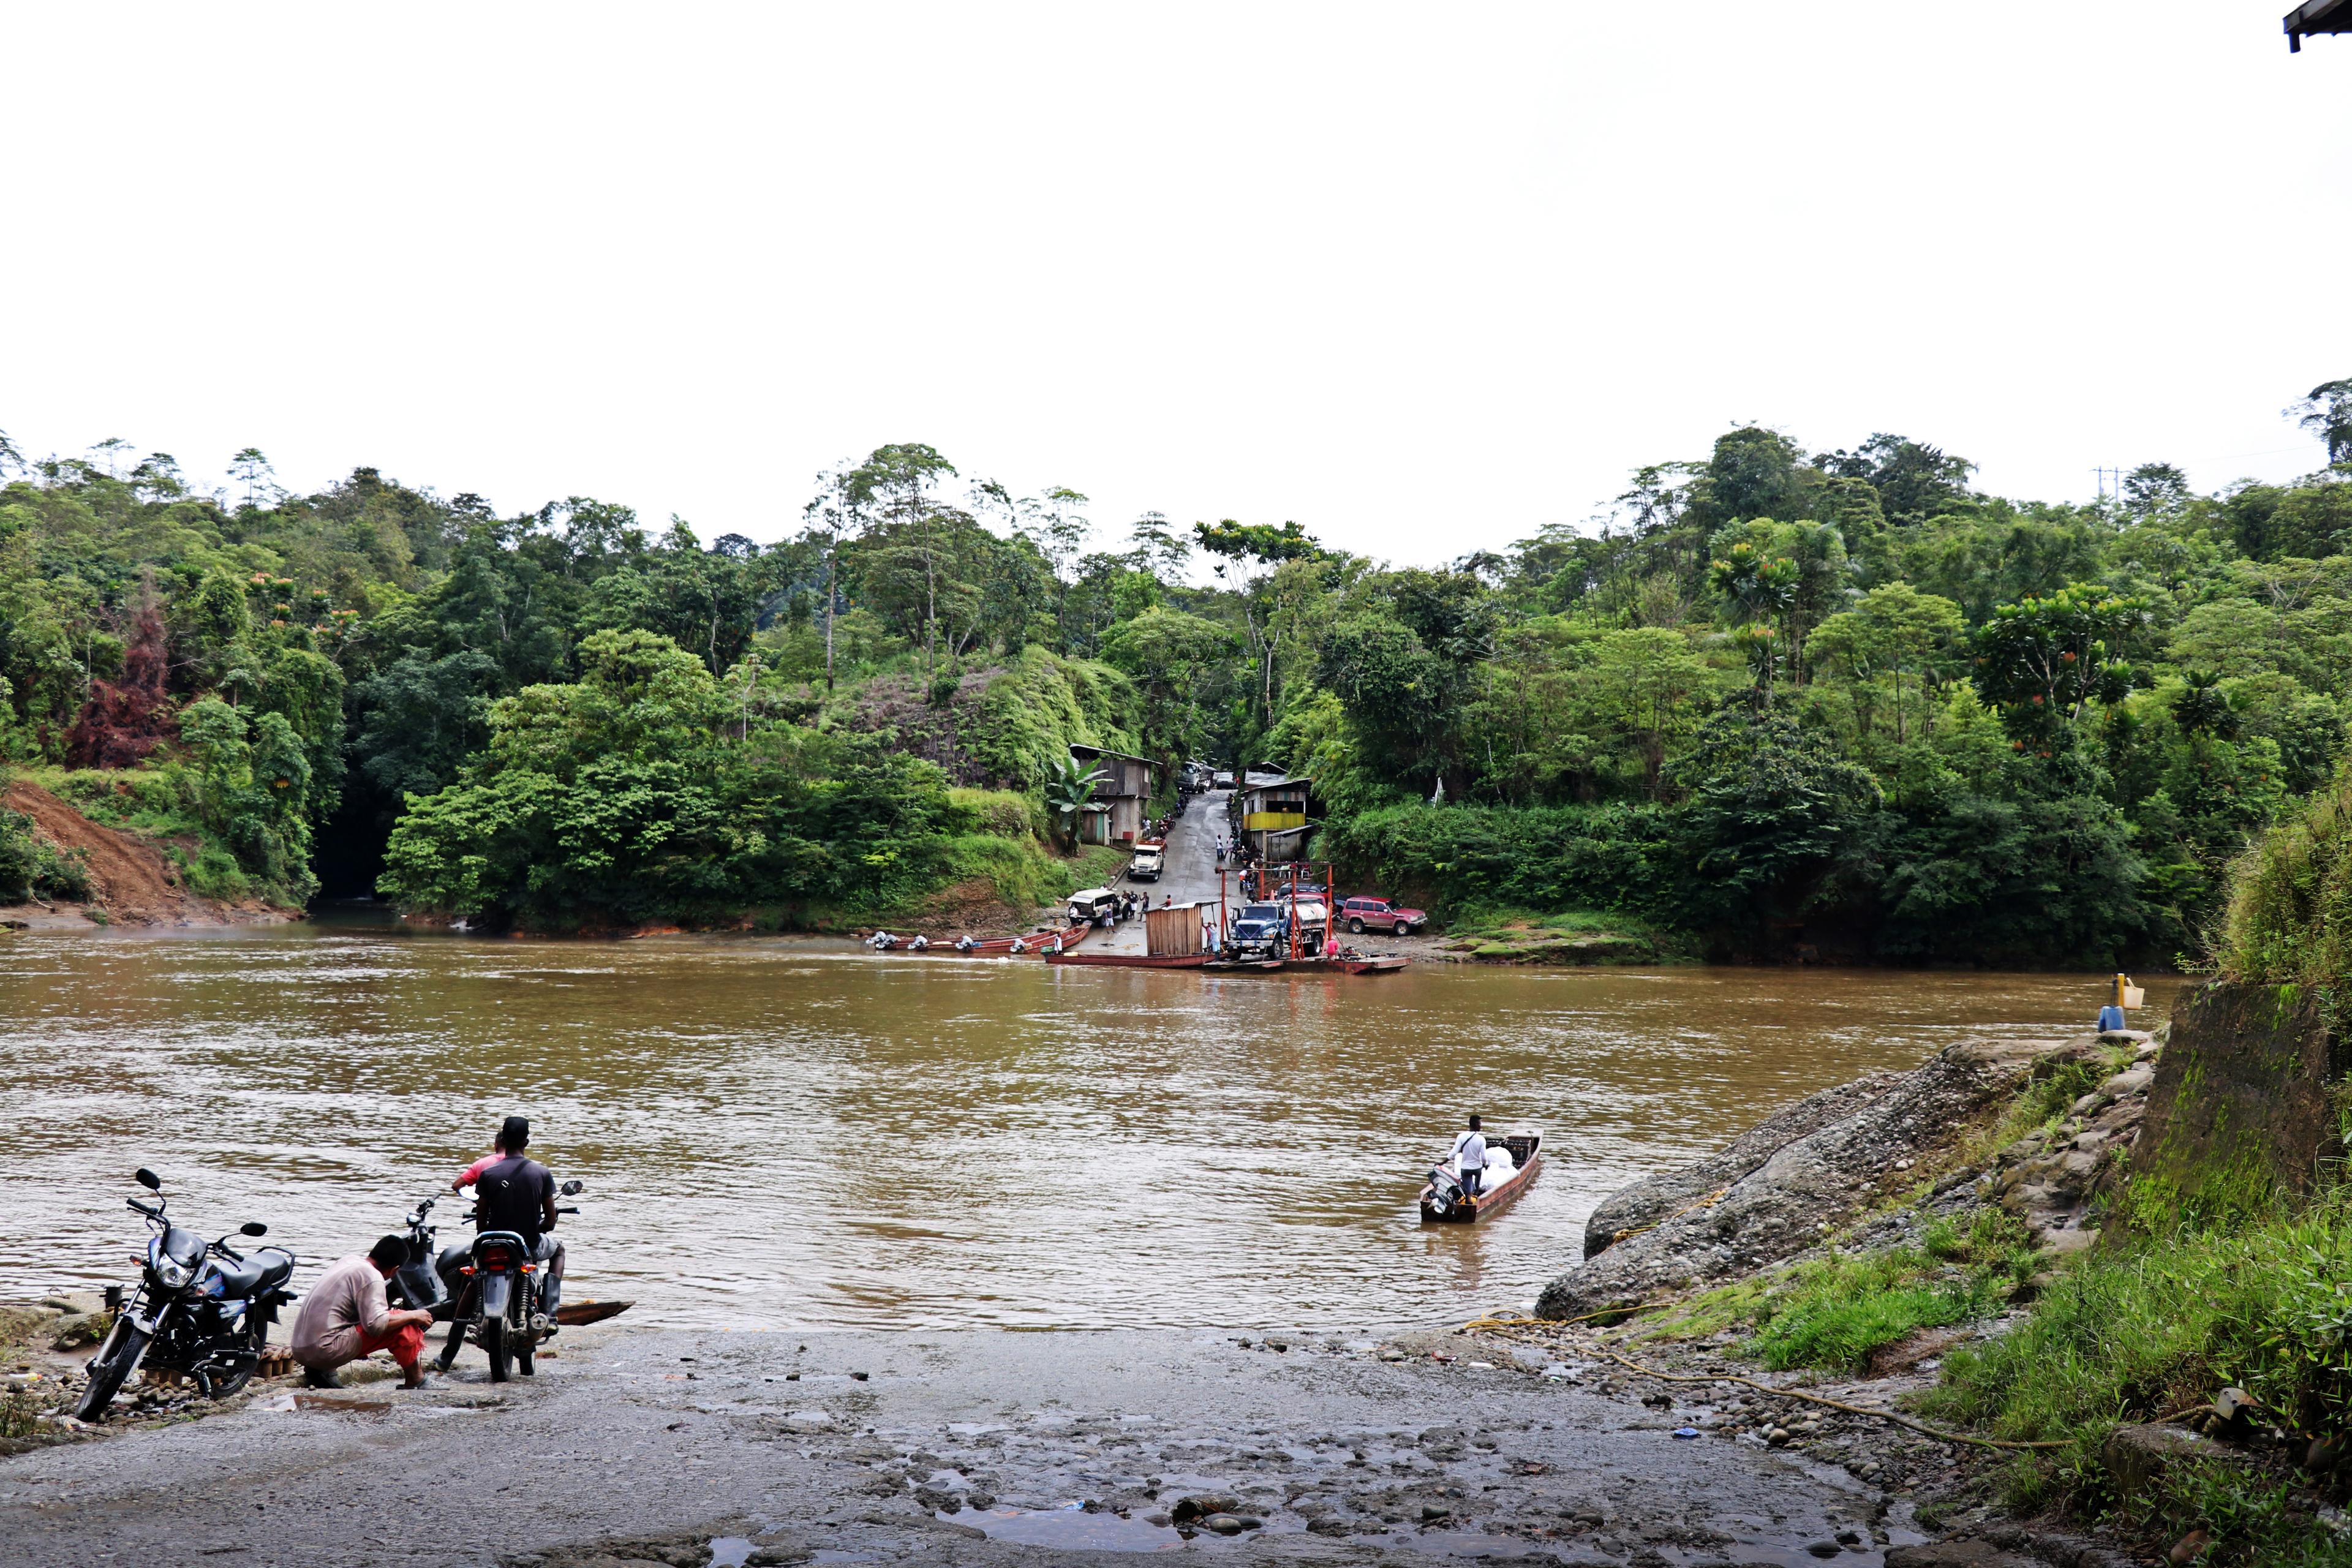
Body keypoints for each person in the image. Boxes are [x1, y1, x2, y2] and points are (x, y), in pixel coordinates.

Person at [453, 1115, 566, 1326]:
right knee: (559, 1250)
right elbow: (550, 1223)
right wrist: (533, 1228)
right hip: (528, 1244)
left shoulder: (488, 1174)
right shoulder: (541, 1173)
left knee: (475, 1280)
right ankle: (549, 1315)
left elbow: (481, 1223)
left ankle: (449, 1350)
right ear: (527, 1142)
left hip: (491, 1243)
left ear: (502, 1140)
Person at [290, 1234, 435, 1390]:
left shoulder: (349, 1260)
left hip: (301, 1350)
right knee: (404, 1325)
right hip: (322, 1352)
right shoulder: (373, 1276)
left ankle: (321, 1370)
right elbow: (376, 1326)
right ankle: (416, 1379)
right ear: (395, 1270)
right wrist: (413, 1315)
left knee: (391, 1318)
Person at [1450, 1115, 1488, 1198]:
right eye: (1479, 1124)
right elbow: (1484, 1158)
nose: (1480, 1126)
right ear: (1475, 1124)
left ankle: (1468, 1197)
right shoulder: (1481, 1139)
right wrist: (1485, 1165)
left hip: (1465, 1169)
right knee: (1479, 1174)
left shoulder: (1461, 1136)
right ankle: (1476, 1192)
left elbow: (1454, 1153)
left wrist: (1442, 1163)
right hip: (1477, 1169)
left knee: (1467, 1186)